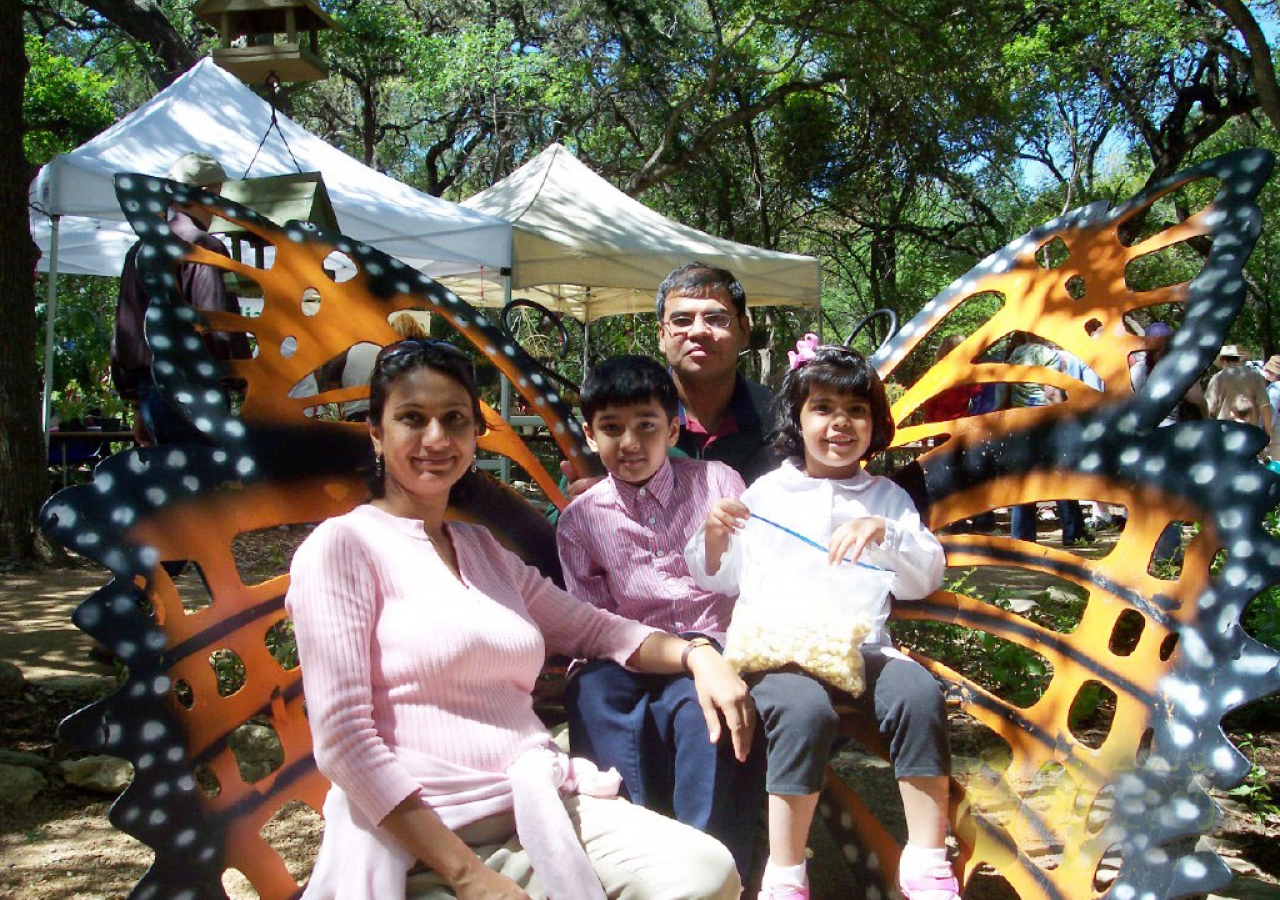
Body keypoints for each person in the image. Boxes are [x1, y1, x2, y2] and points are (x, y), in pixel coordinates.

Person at [285, 339, 752, 900]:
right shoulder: (342, 548)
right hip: (420, 832)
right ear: (377, 434)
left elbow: (597, 628)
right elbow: (342, 741)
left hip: (530, 801)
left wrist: (696, 653)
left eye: (454, 420)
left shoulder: (480, 549)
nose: (436, 438)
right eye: (412, 418)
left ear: (473, 437)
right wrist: (469, 878)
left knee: (707, 872)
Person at [687, 340, 952, 900]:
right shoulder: (766, 492)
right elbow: (720, 576)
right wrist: (714, 533)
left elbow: (925, 575)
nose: (840, 424)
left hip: (862, 647)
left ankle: (927, 860)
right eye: (823, 408)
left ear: (875, 423)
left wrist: (887, 534)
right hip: (780, 650)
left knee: (919, 694)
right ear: (798, 418)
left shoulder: (886, 497)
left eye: (856, 410)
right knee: (802, 711)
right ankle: (785, 874)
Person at [556, 355, 764, 880]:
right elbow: (592, 621)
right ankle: (632, 857)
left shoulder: (718, 482)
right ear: (590, 434)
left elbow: (754, 570)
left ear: (672, 427)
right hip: (626, 651)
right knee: (592, 692)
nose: (629, 442)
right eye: (611, 428)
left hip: (712, 642)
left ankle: (716, 867)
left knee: (702, 711)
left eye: (646, 426)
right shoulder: (581, 519)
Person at [562, 263, 778, 497]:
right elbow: (555, 522)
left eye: (716, 318)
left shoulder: (782, 420)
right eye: (682, 320)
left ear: (744, 331)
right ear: (662, 336)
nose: (698, 331)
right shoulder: (613, 420)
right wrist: (576, 504)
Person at [111, 151, 250, 445]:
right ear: (200, 195)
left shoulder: (139, 251)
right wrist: (248, 380)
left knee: (172, 487)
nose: (219, 206)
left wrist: (139, 405)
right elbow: (218, 327)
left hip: (152, 395)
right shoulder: (203, 248)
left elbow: (126, 336)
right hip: (196, 396)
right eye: (217, 195)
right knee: (207, 488)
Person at [1005, 333, 1089, 544]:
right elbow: (1051, 392)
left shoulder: (1014, 355)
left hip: (1020, 423)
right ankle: (1073, 531)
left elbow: (1004, 390)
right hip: (1045, 422)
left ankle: (1022, 536)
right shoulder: (1047, 355)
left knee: (1025, 480)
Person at [1264, 355, 1280, 429]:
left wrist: (1265, 430)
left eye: (1268, 370)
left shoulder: (1275, 389)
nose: (1265, 370)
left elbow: (1271, 414)